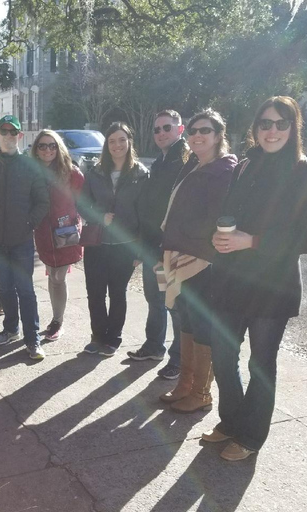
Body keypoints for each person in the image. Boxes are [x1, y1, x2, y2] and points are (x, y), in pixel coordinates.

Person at [203, 97, 307, 461]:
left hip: (273, 285)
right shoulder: (245, 166)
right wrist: (220, 235)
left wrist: (251, 240)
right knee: (223, 356)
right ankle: (233, 420)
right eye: (265, 123)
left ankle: (251, 436)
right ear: (255, 128)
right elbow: (232, 213)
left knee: (261, 363)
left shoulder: (304, 173)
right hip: (232, 279)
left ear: (293, 129)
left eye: (281, 124)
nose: (272, 131)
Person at [159, 109, 237, 412]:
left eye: (204, 130)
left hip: (203, 260)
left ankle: (201, 392)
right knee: (186, 320)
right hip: (180, 254)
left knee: (202, 325)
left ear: (218, 135)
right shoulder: (194, 164)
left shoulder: (223, 170)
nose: (197, 136)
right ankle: (186, 384)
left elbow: (215, 218)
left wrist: (185, 238)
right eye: (192, 131)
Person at [0, 115, 50, 360]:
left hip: (21, 240)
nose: (8, 135)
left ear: (19, 135)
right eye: (3, 131)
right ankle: (10, 329)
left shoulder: (29, 166)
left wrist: (30, 223)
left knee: (25, 290)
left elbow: (42, 201)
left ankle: (33, 338)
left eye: (12, 131)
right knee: (5, 289)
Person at [128, 110, 189, 380]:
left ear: (180, 129)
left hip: (170, 248)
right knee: (154, 299)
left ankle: (179, 359)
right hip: (153, 245)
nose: (161, 133)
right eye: (157, 130)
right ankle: (154, 346)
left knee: (174, 304)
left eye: (167, 127)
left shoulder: (185, 160)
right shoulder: (161, 161)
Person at [79, 122, 149, 357]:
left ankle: (113, 338)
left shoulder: (141, 174)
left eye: (121, 140)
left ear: (129, 142)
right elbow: (82, 206)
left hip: (125, 246)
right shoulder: (95, 172)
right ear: (106, 145)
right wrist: (99, 217)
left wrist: (141, 248)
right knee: (95, 293)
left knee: (118, 293)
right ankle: (97, 337)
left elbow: (145, 215)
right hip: (97, 243)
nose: (117, 145)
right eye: (112, 141)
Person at [31, 130, 85, 342]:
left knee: (59, 277)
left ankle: (58, 320)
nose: (47, 150)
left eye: (52, 145)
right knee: (52, 275)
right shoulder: (32, 172)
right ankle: (56, 318)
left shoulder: (71, 173)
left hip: (65, 233)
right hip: (43, 232)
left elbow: (83, 203)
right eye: (42, 146)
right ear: (36, 149)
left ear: (59, 147)